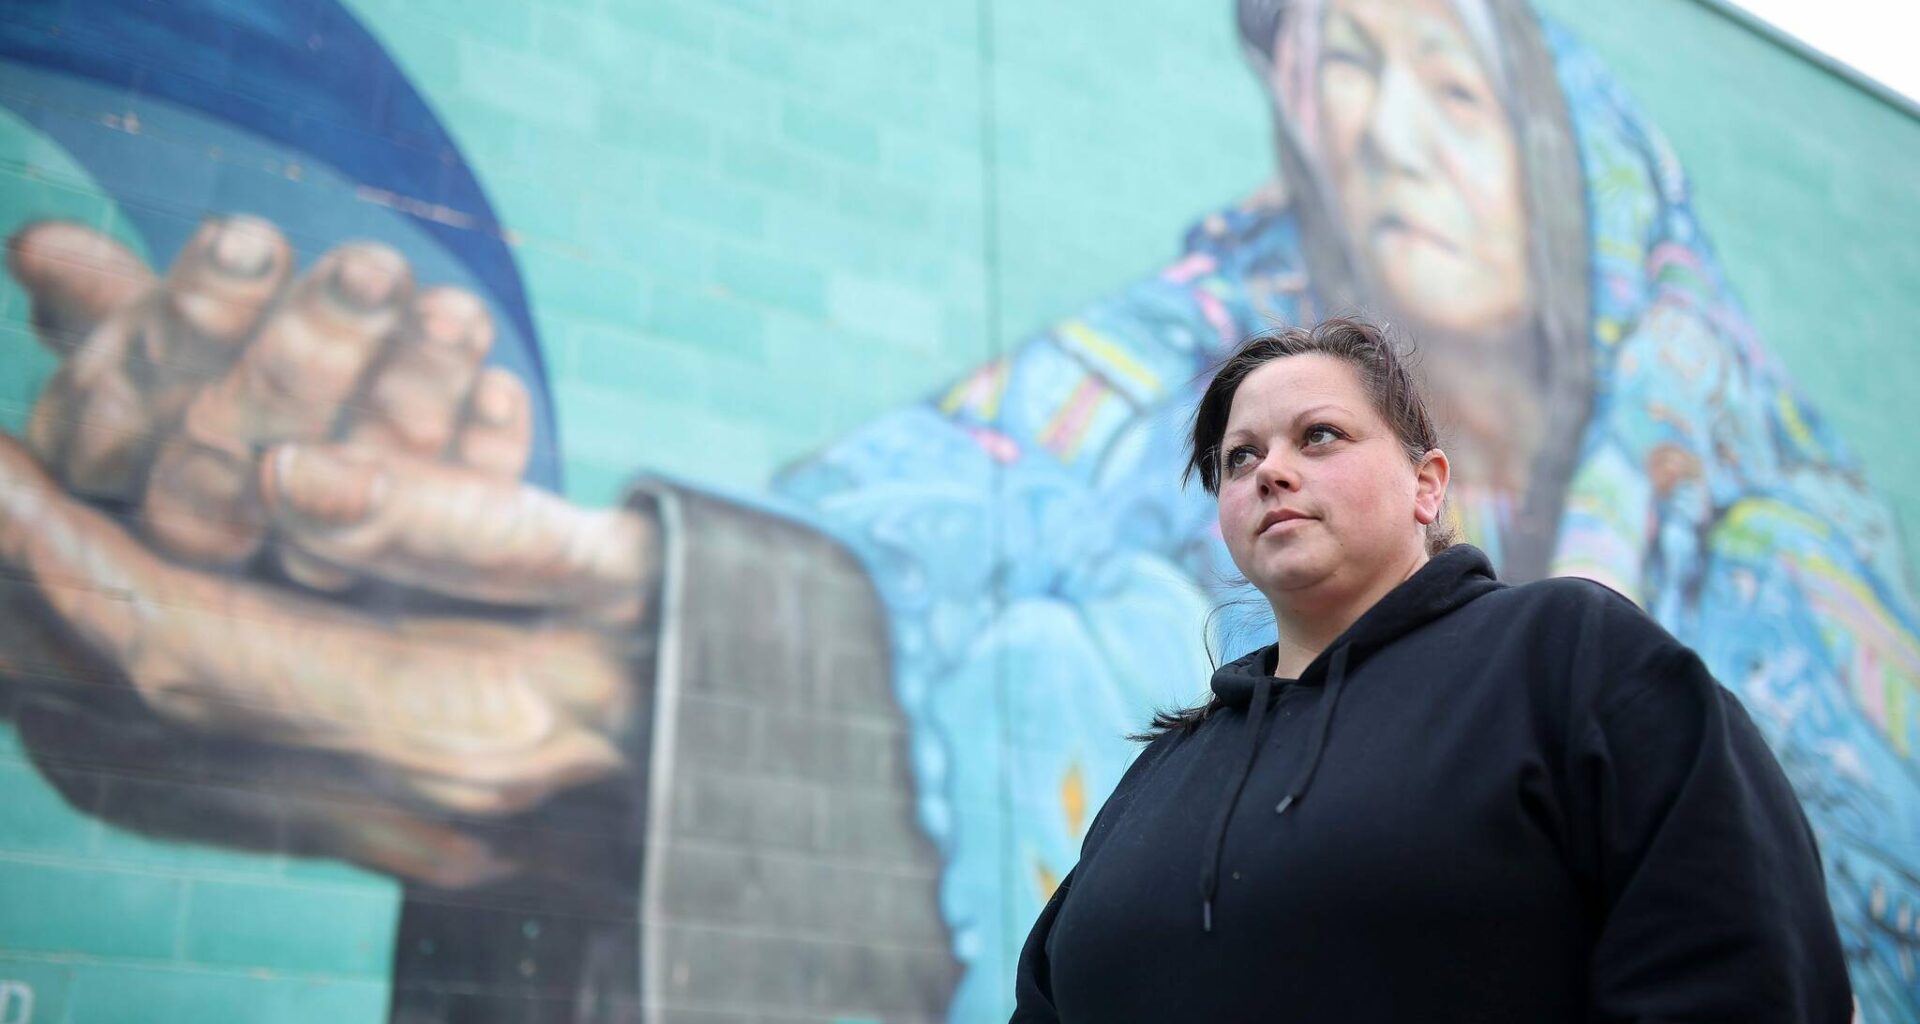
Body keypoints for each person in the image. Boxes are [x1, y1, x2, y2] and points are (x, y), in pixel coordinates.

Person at [3, 0, 1918, 1020]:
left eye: (1435, 72)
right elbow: (923, 514)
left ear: (1429, 480)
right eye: (1240, 454)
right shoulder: (1175, 766)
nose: (1369, 121)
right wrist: (654, 649)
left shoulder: (1602, 652)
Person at [1006, 316, 1852, 1021]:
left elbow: (1747, 968)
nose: (1272, 472)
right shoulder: (1160, 777)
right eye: (1240, 458)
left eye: (1319, 435)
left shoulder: (1569, 658)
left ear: (1427, 485)